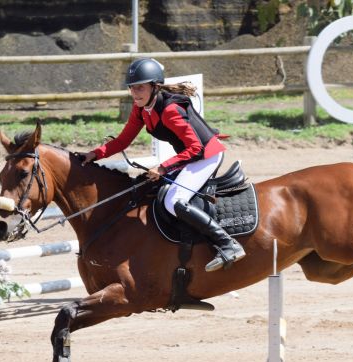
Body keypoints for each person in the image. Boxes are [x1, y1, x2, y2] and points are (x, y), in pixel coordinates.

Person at [82, 58, 246, 272]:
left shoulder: (170, 110)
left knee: (173, 201)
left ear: (155, 87)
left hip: (206, 156)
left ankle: (227, 243)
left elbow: (196, 148)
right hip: (190, 155)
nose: (134, 93)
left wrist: (163, 168)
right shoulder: (141, 109)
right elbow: (122, 141)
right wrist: (94, 154)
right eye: (131, 88)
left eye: (140, 87)